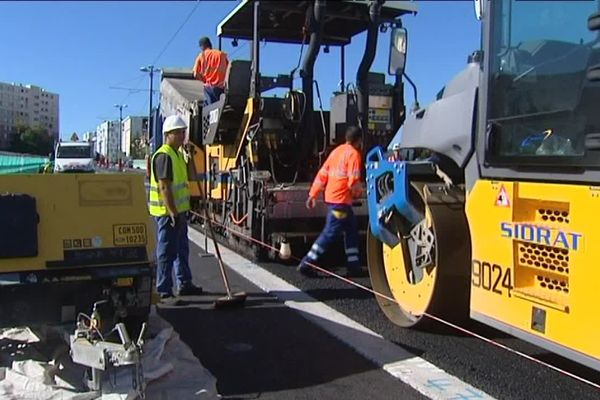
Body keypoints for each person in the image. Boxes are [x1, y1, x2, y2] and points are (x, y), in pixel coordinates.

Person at [297, 126, 365, 278]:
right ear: (359, 140)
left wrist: (313, 194)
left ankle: (353, 265)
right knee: (330, 232)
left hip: (335, 200)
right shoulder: (354, 154)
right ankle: (307, 262)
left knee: (351, 229)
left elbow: (322, 174)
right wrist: (359, 193)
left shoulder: (336, 152)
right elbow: (353, 181)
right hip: (340, 202)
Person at [148, 115, 203, 303]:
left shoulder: (178, 155)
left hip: (179, 212)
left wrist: (191, 158)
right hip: (167, 214)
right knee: (166, 251)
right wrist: (172, 212)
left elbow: (192, 176)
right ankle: (163, 289)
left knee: (181, 249)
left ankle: (185, 283)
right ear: (168, 134)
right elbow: (165, 187)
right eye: (179, 132)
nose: (182, 136)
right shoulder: (164, 155)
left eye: (183, 132)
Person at [193, 37, 229, 106]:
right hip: (221, 88)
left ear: (202, 46)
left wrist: (203, 79)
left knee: (209, 110)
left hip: (209, 88)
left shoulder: (201, 56)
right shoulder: (221, 54)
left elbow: (195, 74)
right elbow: (228, 69)